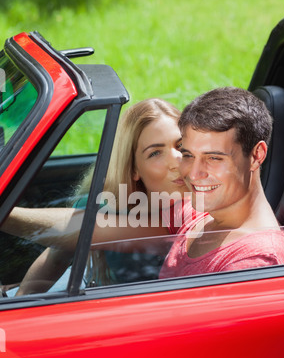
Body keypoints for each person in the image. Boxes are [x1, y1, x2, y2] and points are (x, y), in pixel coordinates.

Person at [2, 98, 189, 294]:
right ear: (134, 169)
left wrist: (5, 213)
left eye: (181, 145)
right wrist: (20, 304)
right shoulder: (108, 202)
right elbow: (55, 258)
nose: (176, 161)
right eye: (155, 153)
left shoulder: (200, 207)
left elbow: (83, 229)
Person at [159, 87, 284, 279]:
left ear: (256, 156)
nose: (193, 173)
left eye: (214, 158)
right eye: (188, 155)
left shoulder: (255, 261)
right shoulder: (203, 213)